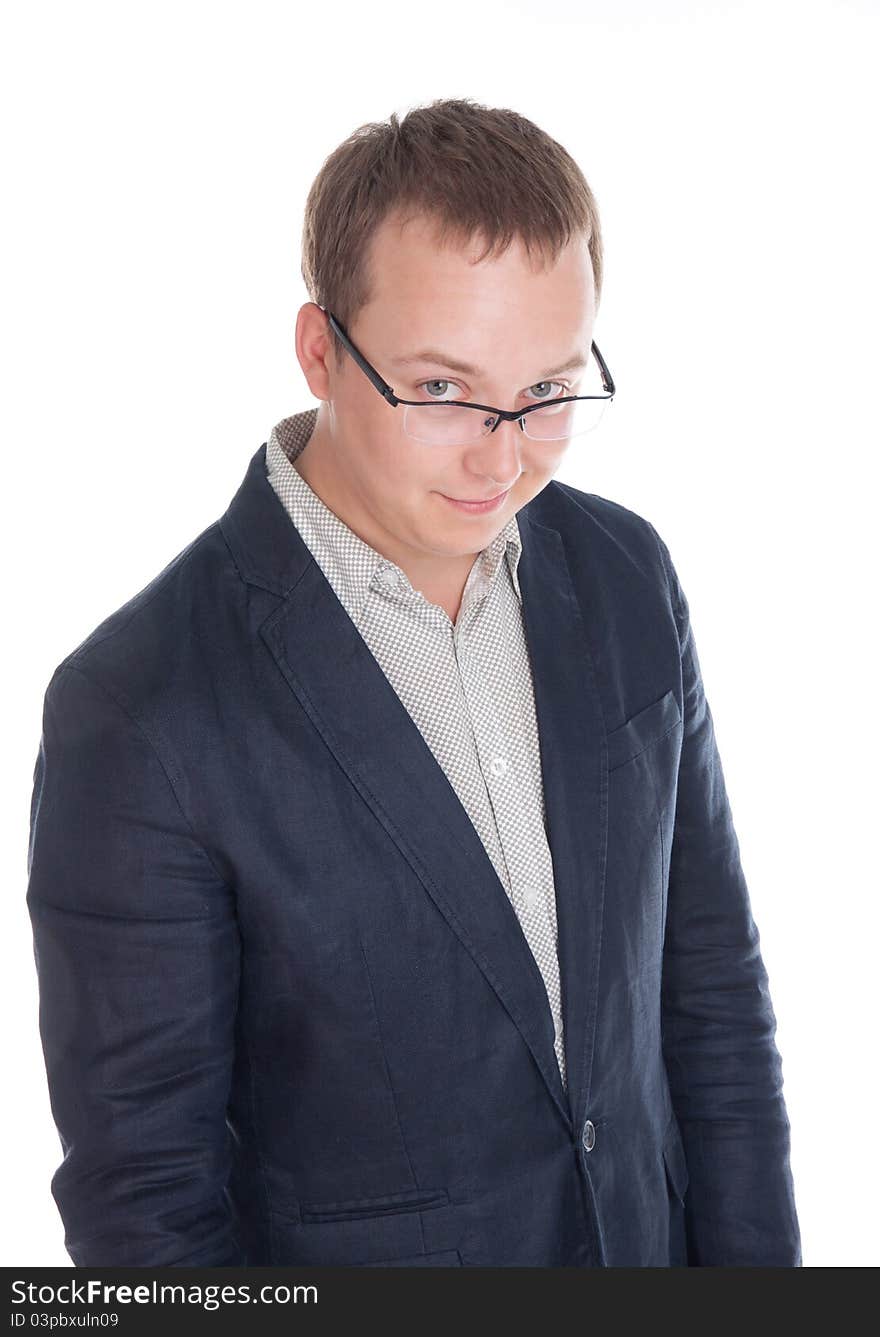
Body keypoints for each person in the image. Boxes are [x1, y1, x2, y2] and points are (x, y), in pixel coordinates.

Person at [25, 96, 801, 1267]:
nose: (503, 456)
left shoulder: (628, 573)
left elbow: (712, 1003)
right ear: (320, 350)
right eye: (442, 390)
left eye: (547, 390)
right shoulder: (140, 711)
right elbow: (146, 1209)